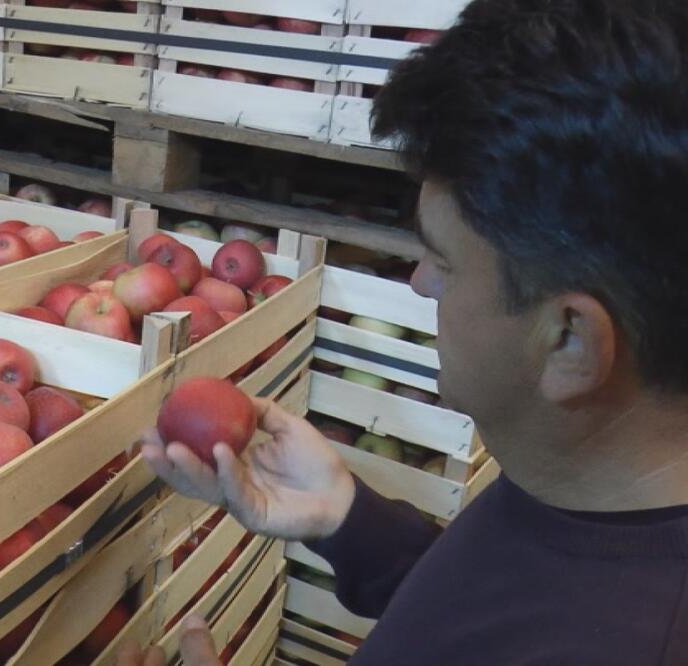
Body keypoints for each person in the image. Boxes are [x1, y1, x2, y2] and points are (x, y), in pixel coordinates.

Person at [118, 0, 688, 664]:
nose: (421, 281)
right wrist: (347, 519)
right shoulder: (586, 486)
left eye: (444, 261)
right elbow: (492, 610)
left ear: (570, 341)